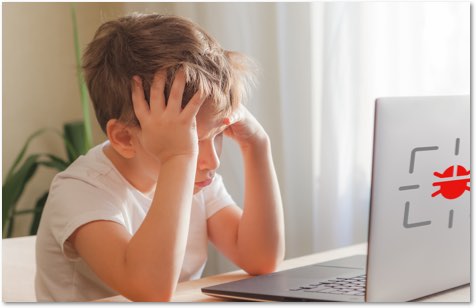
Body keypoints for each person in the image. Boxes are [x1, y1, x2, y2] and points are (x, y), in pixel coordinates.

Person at [35, 13, 284, 302]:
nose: (212, 161)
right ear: (125, 138)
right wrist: (178, 156)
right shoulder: (80, 191)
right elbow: (148, 288)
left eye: (217, 135)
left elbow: (260, 258)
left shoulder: (197, 178)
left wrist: (257, 145)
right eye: (191, 141)